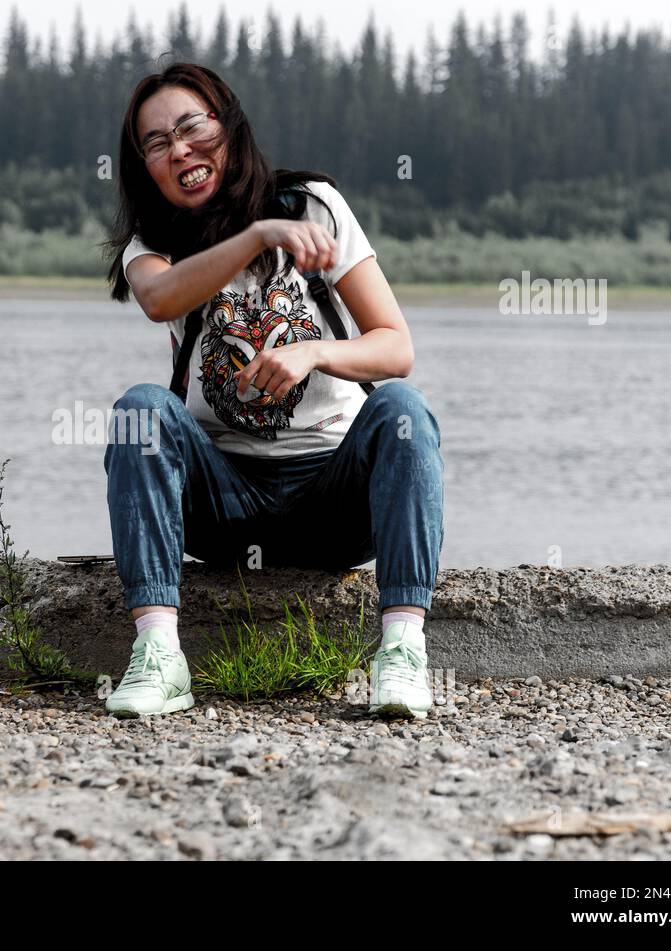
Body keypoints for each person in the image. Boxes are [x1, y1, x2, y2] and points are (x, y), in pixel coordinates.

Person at [101, 62, 445, 719]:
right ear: (144, 165)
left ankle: (402, 653)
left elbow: (395, 346)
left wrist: (314, 351)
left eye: (190, 127)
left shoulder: (313, 206)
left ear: (226, 124)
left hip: (334, 500)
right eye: (155, 143)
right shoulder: (155, 243)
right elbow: (158, 298)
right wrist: (256, 235)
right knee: (141, 411)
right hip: (222, 501)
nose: (178, 150)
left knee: (403, 409)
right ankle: (159, 657)